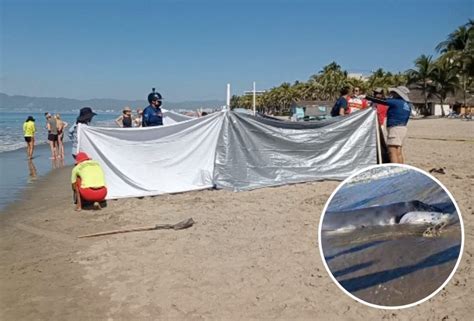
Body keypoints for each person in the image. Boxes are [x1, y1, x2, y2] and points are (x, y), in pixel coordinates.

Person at [366, 86, 412, 164]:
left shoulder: (396, 101)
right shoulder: (407, 105)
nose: (392, 94)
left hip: (395, 128)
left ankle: (395, 170)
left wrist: (367, 97)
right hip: (403, 128)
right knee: (398, 151)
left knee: (392, 151)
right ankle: (401, 169)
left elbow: (381, 101)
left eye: (393, 93)